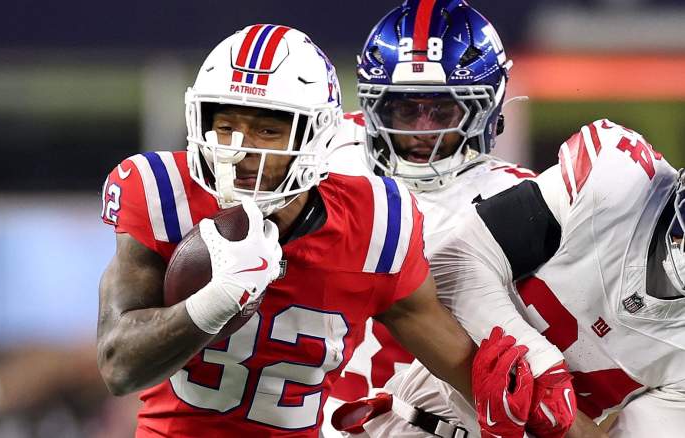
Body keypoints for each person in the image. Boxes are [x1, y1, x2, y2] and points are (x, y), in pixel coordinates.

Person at [96, 24, 478, 437]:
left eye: (267, 131)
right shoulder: (161, 194)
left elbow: (465, 370)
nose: (240, 150)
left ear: (316, 136)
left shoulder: (376, 223)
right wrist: (216, 300)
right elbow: (119, 367)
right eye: (225, 126)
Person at [348, 119, 685, 437]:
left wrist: (537, 423)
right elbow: (452, 262)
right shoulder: (621, 179)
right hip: (416, 420)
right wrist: (541, 370)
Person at [321, 1, 543, 436]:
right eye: (406, 110)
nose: (424, 129)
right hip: (309, 417)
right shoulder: (327, 154)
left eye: (442, 111)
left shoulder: (520, 201)